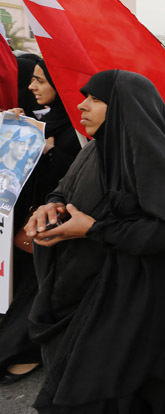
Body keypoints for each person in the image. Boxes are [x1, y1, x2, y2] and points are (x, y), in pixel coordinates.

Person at [24, 69, 165, 412]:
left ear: (123, 107)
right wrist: (51, 205)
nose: (81, 106)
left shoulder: (155, 158)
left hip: (132, 301)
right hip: (83, 290)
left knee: (113, 390)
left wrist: (94, 230)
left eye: (94, 99)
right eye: (84, 97)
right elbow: (66, 185)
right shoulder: (96, 149)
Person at [0, 57, 81, 385]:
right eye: (31, 80)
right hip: (22, 224)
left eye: (40, 81)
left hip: (53, 228)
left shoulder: (76, 132)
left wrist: (51, 154)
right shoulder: (35, 123)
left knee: (39, 293)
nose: (32, 87)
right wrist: (15, 129)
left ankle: (22, 350)